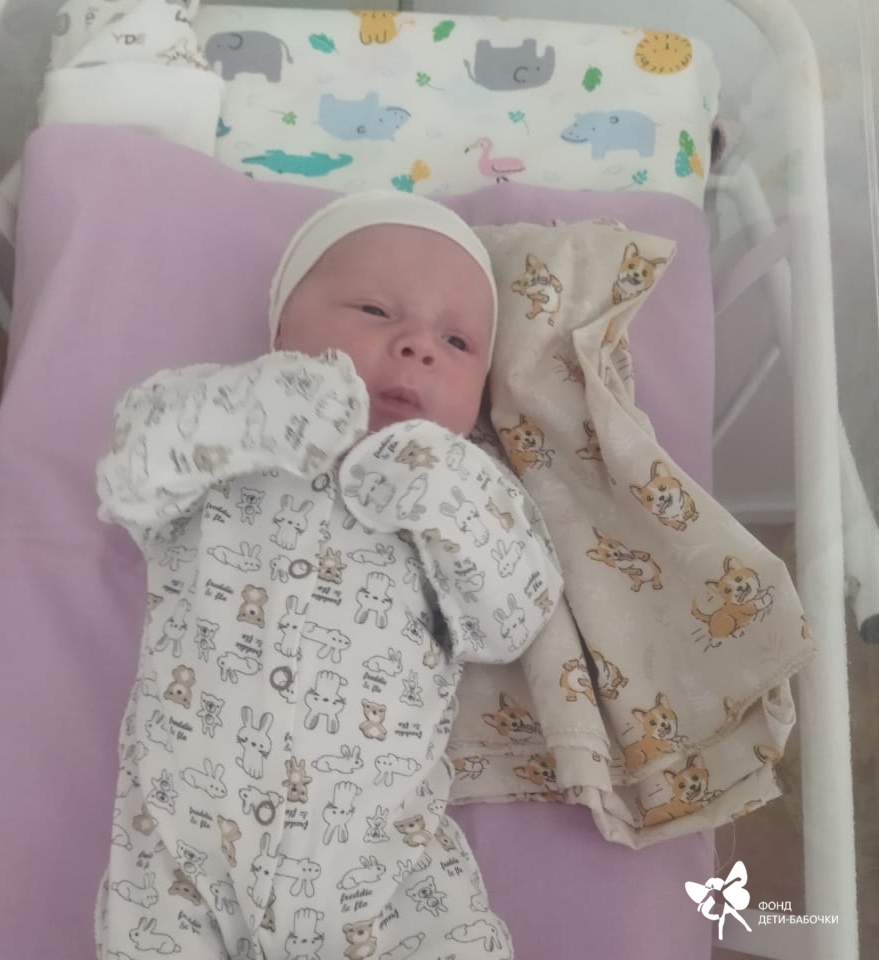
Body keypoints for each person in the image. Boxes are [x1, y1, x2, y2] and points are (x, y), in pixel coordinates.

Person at [94, 191, 563, 959]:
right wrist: (282, 400)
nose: (417, 346)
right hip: (183, 850)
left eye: (456, 341)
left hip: (379, 869)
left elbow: (514, 617)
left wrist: (435, 474)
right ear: (282, 329)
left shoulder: (462, 491)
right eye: (375, 310)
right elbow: (128, 471)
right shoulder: (225, 431)